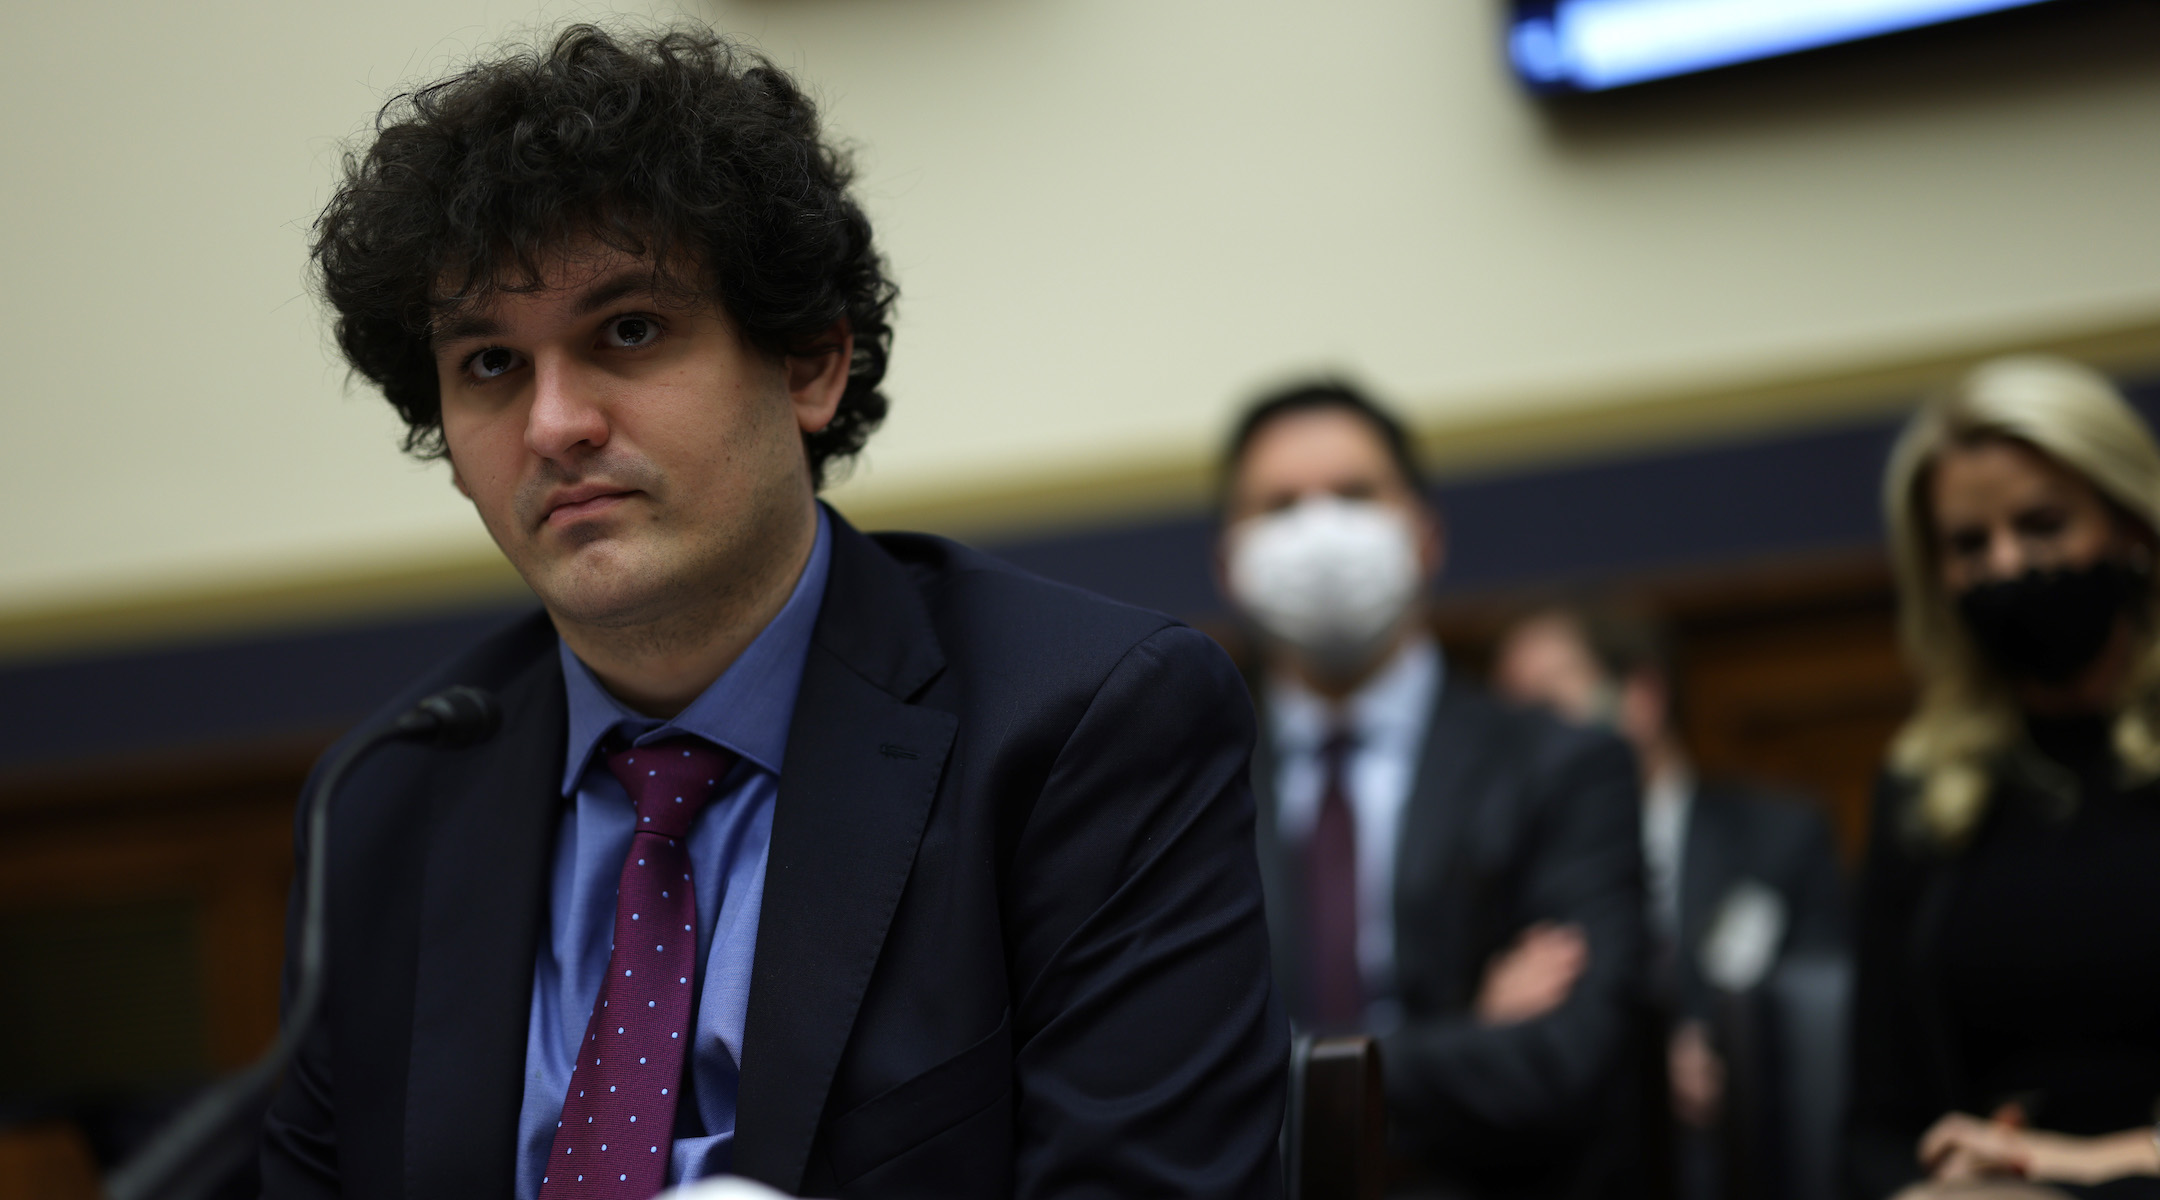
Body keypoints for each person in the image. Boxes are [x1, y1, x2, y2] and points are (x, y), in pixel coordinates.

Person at [261, 24, 1286, 1199]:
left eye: (628, 331)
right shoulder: (388, 802)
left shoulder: (1085, 731)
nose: (554, 426)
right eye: (490, 365)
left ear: (809, 366)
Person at [1218, 380, 1647, 1199]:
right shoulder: (1180, 780)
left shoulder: (1561, 766)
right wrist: (1459, 1039)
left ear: (1426, 534)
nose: (1321, 531)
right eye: (1278, 507)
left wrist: (1275, 1072)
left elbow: (1564, 1064)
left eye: (1353, 493)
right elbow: (1141, 1067)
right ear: (1228, 561)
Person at [1848, 355, 2160, 1200]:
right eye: (1969, 545)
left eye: (2044, 524)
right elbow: (1876, 1125)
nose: (2009, 567)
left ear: (2130, 526)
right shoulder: (1925, 786)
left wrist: (2092, 1165)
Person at [1495, 602, 1847, 1200]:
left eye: (1550, 706)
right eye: (1515, 720)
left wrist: (1734, 1065)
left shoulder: (1780, 837)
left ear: (1640, 695)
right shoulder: (1510, 872)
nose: (1532, 741)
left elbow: (1825, 1020)